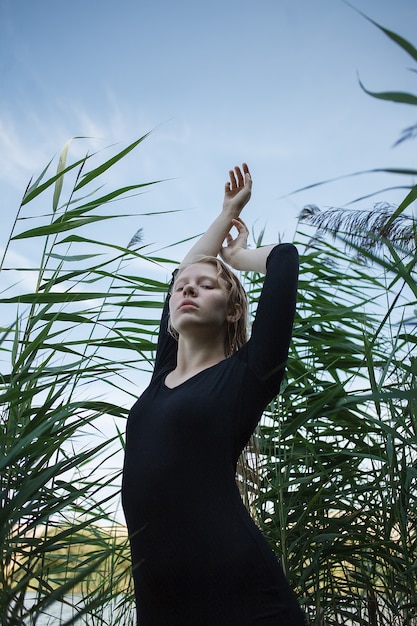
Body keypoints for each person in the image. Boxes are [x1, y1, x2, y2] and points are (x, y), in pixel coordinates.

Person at [121, 164, 305, 625]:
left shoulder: (247, 376)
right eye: (182, 287)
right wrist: (225, 214)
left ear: (231, 310)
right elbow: (184, 269)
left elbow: (284, 259)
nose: (188, 288)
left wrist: (236, 257)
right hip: (161, 600)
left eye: (207, 286)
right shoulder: (162, 375)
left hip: (240, 596)